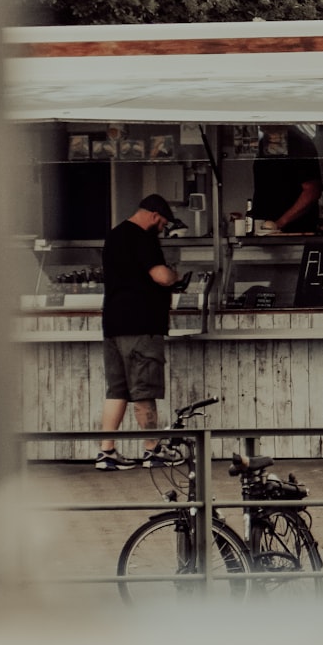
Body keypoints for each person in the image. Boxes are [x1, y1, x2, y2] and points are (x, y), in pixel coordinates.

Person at [96, 194, 187, 471]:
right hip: (140, 324)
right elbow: (160, 276)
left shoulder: (114, 236)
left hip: (113, 324)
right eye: (162, 224)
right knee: (144, 389)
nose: (162, 229)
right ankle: (153, 451)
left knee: (117, 390)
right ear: (154, 215)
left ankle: (106, 452)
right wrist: (175, 275)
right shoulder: (142, 238)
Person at [251, 125, 322, 233]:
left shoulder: (300, 143)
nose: (261, 128)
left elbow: (311, 191)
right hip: (265, 231)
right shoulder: (264, 145)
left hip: (294, 232)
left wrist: (280, 223)